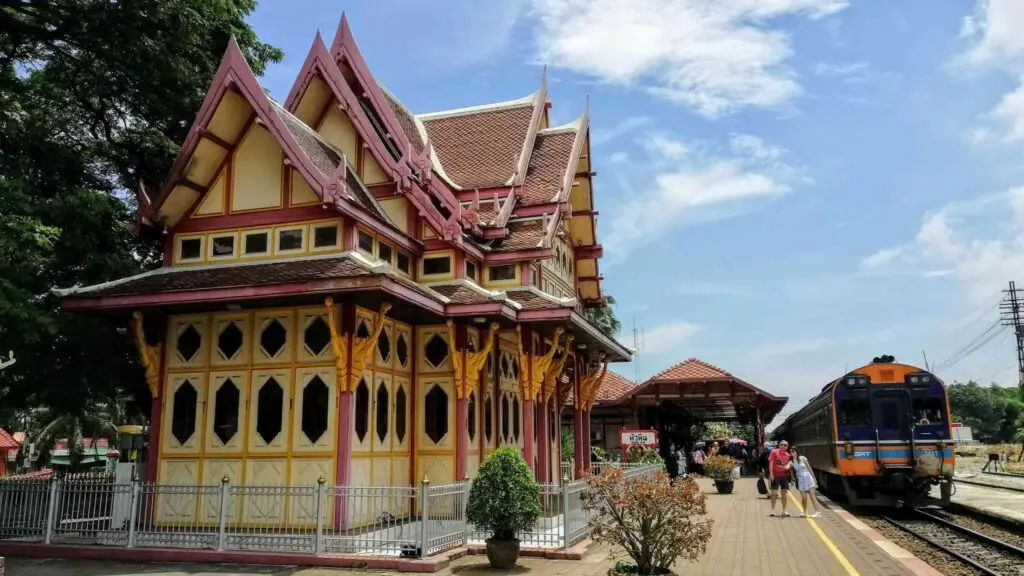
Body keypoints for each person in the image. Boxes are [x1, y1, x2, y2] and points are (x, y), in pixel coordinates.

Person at [789, 446, 820, 518]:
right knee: (804, 498)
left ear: (796, 451)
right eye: (790, 452)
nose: (791, 453)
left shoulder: (803, 458)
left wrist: (814, 479)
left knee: (812, 496)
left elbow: (809, 468)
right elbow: (791, 472)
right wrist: (793, 479)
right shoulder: (791, 462)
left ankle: (817, 512)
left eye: (793, 451)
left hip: (808, 478)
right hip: (800, 480)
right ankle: (804, 512)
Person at [768, 440, 793, 517]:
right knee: (774, 493)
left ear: (787, 446)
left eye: (785, 445)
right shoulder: (774, 452)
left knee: (784, 493)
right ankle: (773, 510)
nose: (783, 446)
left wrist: (792, 478)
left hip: (784, 476)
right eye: (781, 444)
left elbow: (790, 465)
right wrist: (771, 474)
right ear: (779, 445)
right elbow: (771, 463)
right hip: (775, 476)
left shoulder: (788, 455)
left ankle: (784, 510)